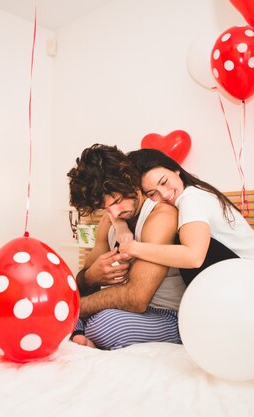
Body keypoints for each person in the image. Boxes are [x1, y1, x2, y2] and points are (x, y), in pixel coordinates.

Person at [66, 144, 187, 350]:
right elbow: (83, 283)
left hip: (167, 314)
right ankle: (80, 331)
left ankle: (79, 329)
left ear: (130, 180)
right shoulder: (110, 220)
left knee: (106, 324)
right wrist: (91, 277)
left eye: (118, 201)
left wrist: (73, 308)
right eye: (105, 208)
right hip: (124, 309)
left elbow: (137, 298)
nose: (113, 213)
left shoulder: (161, 216)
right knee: (60, 300)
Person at [116, 148, 254, 285]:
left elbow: (194, 257)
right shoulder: (196, 191)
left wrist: (134, 248)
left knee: (183, 245)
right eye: (152, 193)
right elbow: (112, 210)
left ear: (175, 170)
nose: (164, 194)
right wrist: (120, 226)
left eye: (164, 182)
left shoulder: (190, 199)